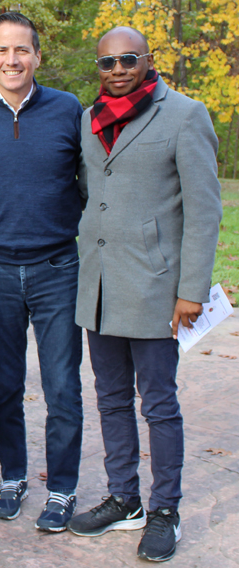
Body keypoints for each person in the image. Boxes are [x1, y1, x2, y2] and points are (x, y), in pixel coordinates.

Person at [67, 27, 222, 562]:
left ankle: (165, 510)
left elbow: (205, 211)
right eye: (107, 62)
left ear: (148, 60)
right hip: (101, 287)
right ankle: (124, 499)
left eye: (128, 59)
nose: (117, 69)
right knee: (110, 399)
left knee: (158, 404)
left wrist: (191, 290)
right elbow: (92, 193)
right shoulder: (89, 121)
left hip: (158, 289)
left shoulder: (184, 114)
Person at [0, 12, 84, 532]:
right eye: (3, 51)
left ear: (36, 56)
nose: (12, 60)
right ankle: (12, 476)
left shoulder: (68, 109)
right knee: (6, 384)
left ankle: (63, 489)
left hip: (58, 266)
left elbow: (96, 181)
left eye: (22, 50)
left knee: (62, 386)